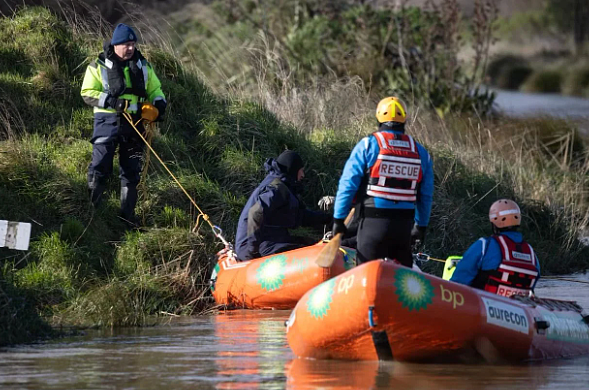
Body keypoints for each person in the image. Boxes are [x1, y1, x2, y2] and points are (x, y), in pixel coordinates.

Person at [81, 23, 167, 226]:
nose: (130, 48)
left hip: (136, 124)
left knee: (132, 170)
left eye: (133, 44)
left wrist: (159, 104)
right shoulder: (98, 65)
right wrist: (111, 101)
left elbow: (155, 89)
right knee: (100, 165)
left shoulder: (144, 66)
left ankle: (127, 218)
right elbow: (87, 93)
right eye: (126, 44)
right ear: (115, 44)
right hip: (107, 122)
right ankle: (92, 213)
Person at [332, 97, 434, 266]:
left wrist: (338, 219)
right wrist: (421, 226)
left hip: (373, 226)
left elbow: (347, 185)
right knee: (400, 283)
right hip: (403, 230)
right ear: (405, 120)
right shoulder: (421, 153)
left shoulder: (367, 146)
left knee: (365, 278)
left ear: (379, 118)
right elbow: (426, 195)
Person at [235, 150, 332, 261]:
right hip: (255, 246)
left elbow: (301, 216)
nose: (303, 175)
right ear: (293, 170)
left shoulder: (284, 187)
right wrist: (251, 250)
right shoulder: (276, 188)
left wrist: (327, 219)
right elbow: (256, 213)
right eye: (301, 171)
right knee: (309, 253)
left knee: (310, 243)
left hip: (272, 238)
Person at [451, 199, 541, 297]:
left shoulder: (484, 245)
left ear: (494, 222)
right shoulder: (531, 253)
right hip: (517, 308)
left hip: (483, 305)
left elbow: (459, 280)